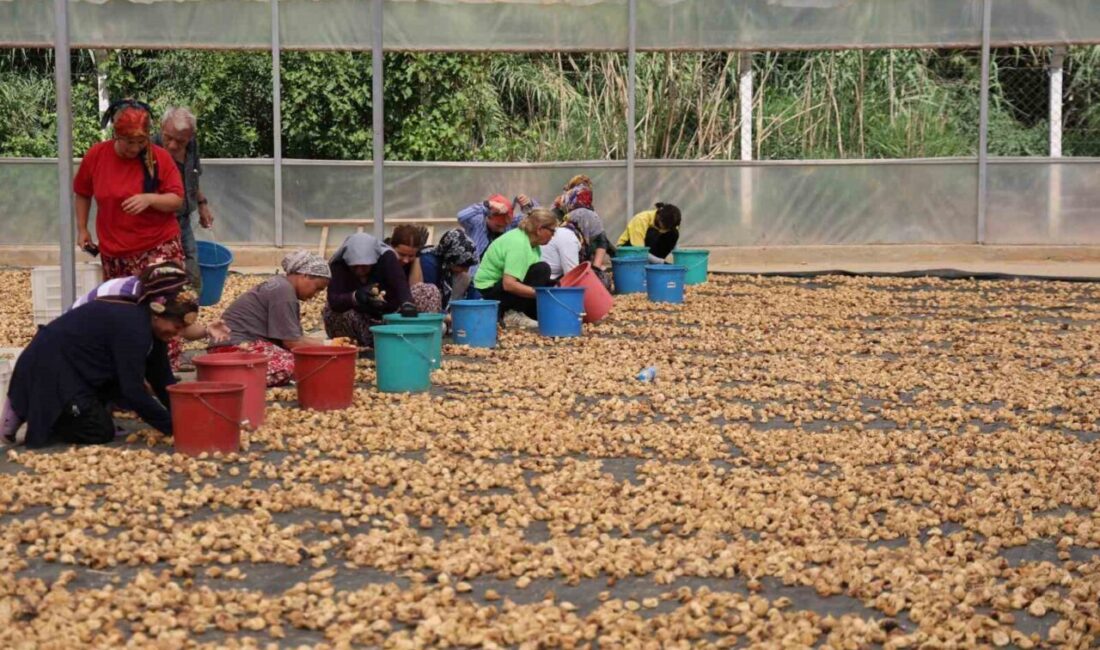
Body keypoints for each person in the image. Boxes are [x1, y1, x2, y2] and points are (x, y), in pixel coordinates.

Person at [1, 282, 198, 448]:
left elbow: (162, 378)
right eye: (177, 327)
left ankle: (44, 410)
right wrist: (172, 427)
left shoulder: (150, 327)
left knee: (103, 411)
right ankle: (33, 412)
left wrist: (183, 417)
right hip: (53, 367)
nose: (178, 335)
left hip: (80, 367)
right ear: (157, 314)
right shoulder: (135, 328)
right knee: (98, 430)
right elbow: (133, 390)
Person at [74, 99, 185, 281]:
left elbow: (177, 199)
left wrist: (150, 199)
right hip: (114, 254)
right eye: (129, 142)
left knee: (164, 297)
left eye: (141, 141)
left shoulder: (160, 157)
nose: (134, 148)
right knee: (121, 299)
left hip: (156, 246)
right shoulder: (96, 156)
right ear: (116, 135)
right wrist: (82, 228)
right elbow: (82, 193)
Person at [209, 251, 331, 387]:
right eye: (317, 288)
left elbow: (296, 338)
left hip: (237, 346)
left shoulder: (281, 286)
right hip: (235, 348)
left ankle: (227, 373)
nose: (316, 295)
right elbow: (292, 342)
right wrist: (329, 346)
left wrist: (329, 344)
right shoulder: (284, 292)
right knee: (301, 366)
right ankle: (231, 375)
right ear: (305, 275)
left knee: (307, 362)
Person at [73, 261, 230, 347]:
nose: (177, 336)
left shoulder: (155, 298)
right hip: (80, 342)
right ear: (156, 311)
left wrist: (207, 330)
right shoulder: (125, 304)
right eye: (177, 328)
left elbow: (178, 324)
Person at [153, 107, 214, 291]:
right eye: (168, 138)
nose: (172, 145)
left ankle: (191, 302)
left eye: (180, 141)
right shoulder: (148, 149)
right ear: (161, 127)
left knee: (192, 263)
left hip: (183, 219)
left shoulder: (192, 146)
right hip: (159, 222)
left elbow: (193, 178)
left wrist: (202, 204)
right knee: (166, 271)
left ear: (190, 136)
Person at [323, 233, 414, 346]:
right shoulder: (339, 265)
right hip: (358, 319)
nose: (359, 270)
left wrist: (407, 303)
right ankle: (356, 341)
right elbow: (334, 300)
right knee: (331, 311)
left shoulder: (386, 259)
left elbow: (400, 285)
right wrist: (355, 297)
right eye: (355, 266)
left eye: (365, 266)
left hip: (387, 315)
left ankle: (409, 334)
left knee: (425, 291)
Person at [474, 209, 557, 329]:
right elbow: (509, 285)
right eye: (552, 231)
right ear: (539, 229)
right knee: (542, 269)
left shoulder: (533, 245)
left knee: (543, 276)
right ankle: (510, 313)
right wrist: (541, 294)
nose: (553, 236)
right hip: (490, 289)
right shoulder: (519, 244)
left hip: (503, 286)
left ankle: (522, 312)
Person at [457, 192, 536, 262]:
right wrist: (488, 204)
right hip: (477, 272)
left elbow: (536, 219)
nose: (501, 229)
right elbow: (461, 216)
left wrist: (528, 205)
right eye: (498, 225)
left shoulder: (511, 223)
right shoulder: (477, 223)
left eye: (505, 225)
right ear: (488, 216)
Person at [418, 229, 479, 311]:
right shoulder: (429, 263)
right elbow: (428, 297)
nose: (466, 270)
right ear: (451, 258)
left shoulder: (447, 264)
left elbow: (473, 291)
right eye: (462, 266)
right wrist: (444, 315)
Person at [387, 224, 441, 313]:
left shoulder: (416, 261)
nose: (406, 260)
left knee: (429, 289)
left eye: (411, 256)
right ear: (392, 247)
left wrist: (417, 256)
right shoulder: (384, 259)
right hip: (387, 307)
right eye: (401, 254)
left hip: (407, 307)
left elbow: (417, 290)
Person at [561, 208, 613, 290]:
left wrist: (596, 270)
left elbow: (602, 242)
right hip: (562, 279)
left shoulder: (580, 235)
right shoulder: (570, 237)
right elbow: (572, 274)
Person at [617, 202, 682, 264]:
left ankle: (654, 265)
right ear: (659, 217)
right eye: (665, 227)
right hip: (626, 250)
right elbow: (639, 251)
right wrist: (661, 262)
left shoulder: (671, 225)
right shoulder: (640, 220)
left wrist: (680, 258)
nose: (665, 230)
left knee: (674, 233)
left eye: (668, 228)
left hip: (647, 252)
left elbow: (673, 243)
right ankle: (652, 263)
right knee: (653, 232)